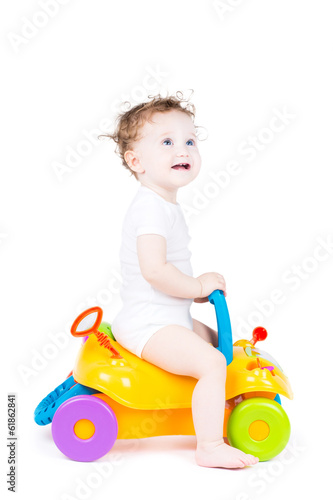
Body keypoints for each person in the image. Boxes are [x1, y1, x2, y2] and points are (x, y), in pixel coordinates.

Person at [105, 92, 259, 468]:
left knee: (226, 346)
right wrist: (199, 287)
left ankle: (225, 399)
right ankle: (208, 446)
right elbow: (155, 271)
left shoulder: (164, 203)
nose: (182, 150)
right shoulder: (150, 209)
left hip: (169, 318)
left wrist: (198, 292)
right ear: (135, 161)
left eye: (190, 141)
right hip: (149, 325)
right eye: (168, 142)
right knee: (211, 362)